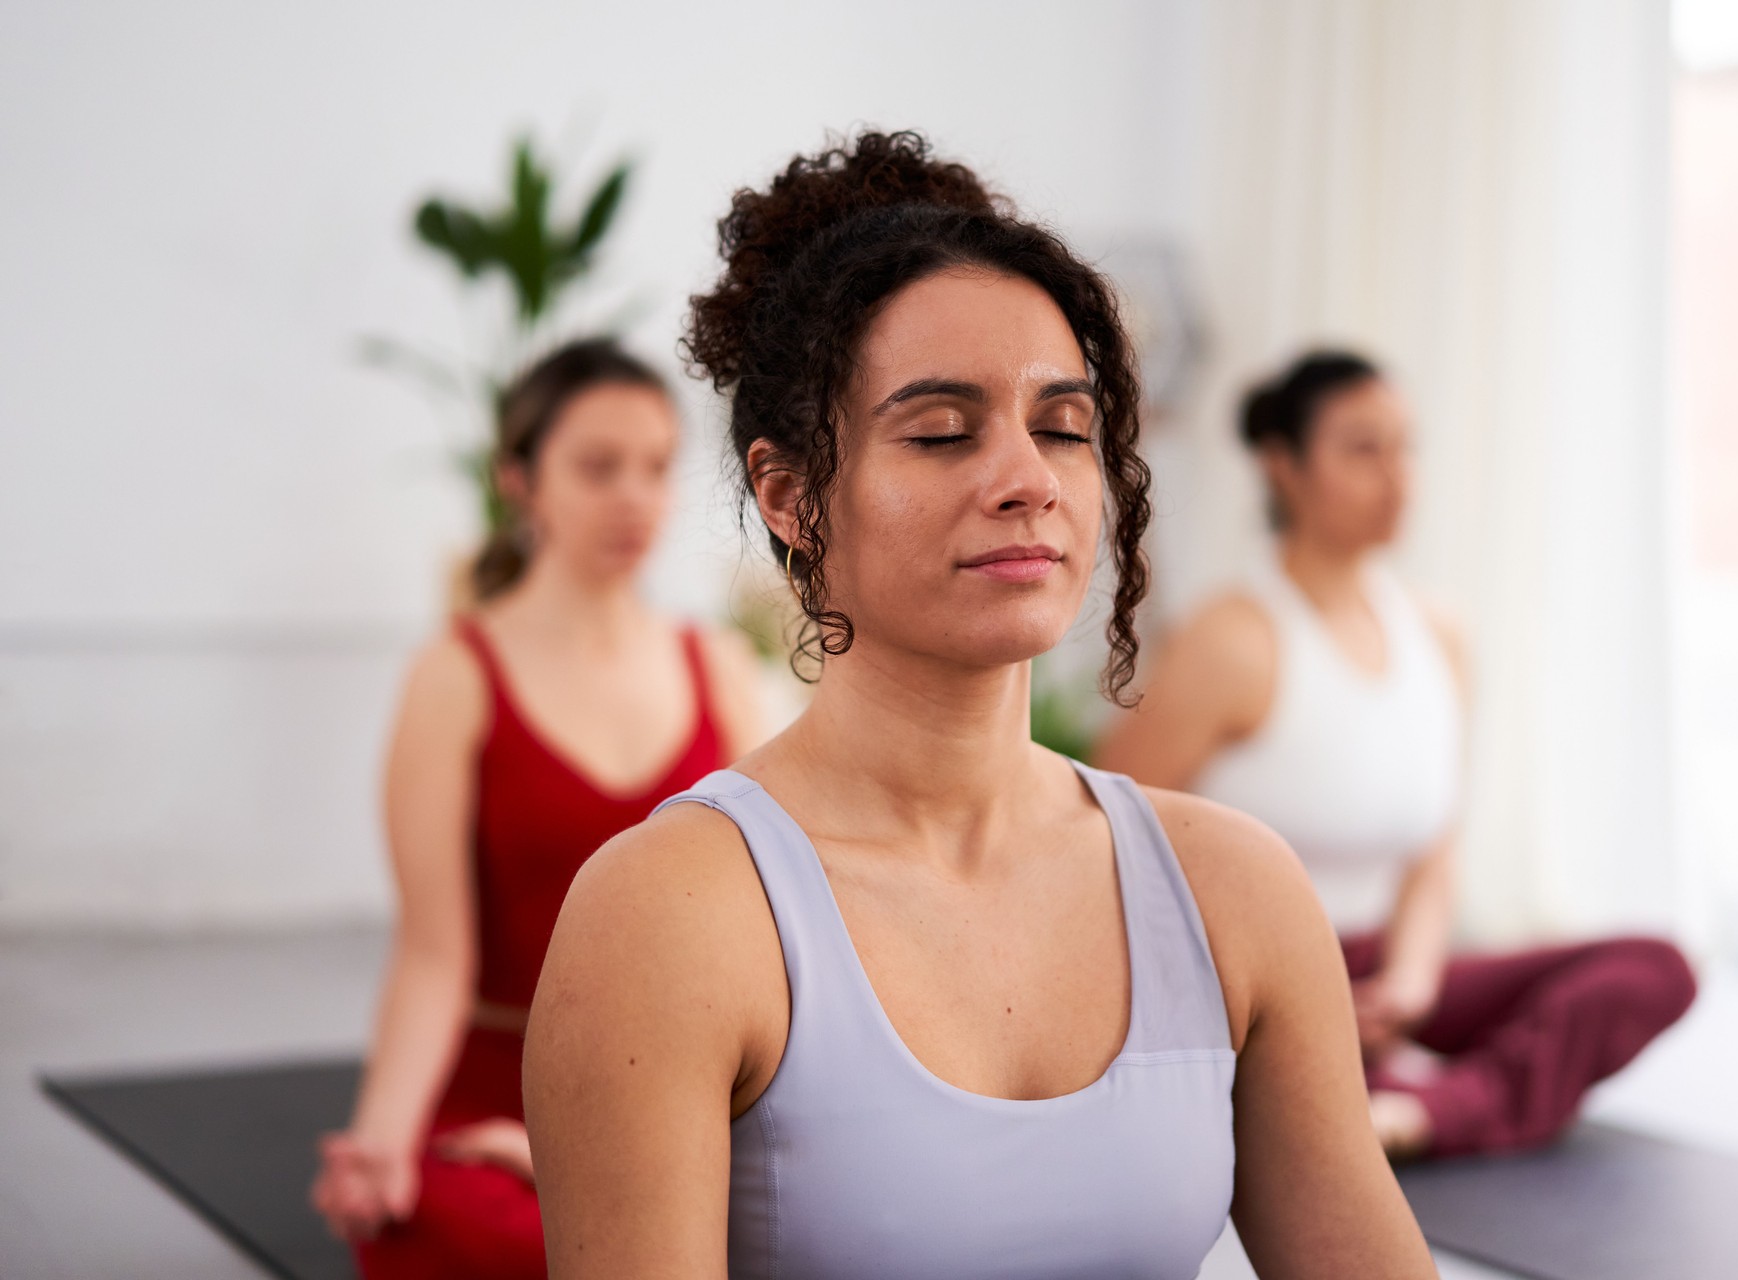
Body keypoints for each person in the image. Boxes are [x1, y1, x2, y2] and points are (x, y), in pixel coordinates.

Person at [522, 133, 1435, 1280]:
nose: (1029, 478)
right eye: (942, 432)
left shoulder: (1235, 887)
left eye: (1062, 425)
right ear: (794, 495)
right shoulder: (672, 912)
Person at [1096, 349, 1697, 1160]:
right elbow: (1106, 836)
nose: (1399, 476)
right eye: (1363, 449)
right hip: (1255, 978)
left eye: (1406, 447)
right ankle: (1412, 1096)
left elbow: (1433, 854)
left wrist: (1411, 985)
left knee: (1655, 968)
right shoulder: (1231, 640)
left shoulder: (1441, 635)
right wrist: (1281, 996)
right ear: (1284, 467)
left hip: (1389, 967)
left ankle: (1416, 1110)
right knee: (1272, 1058)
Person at [310, 338, 764, 1278]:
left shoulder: (716, 666)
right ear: (520, 479)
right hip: (494, 1092)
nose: (634, 497)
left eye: (654, 468)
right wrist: (383, 1138)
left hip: (677, 1090)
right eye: (599, 468)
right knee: (488, 1238)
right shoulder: (453, 677)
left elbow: (762, 931)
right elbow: (435, 952)